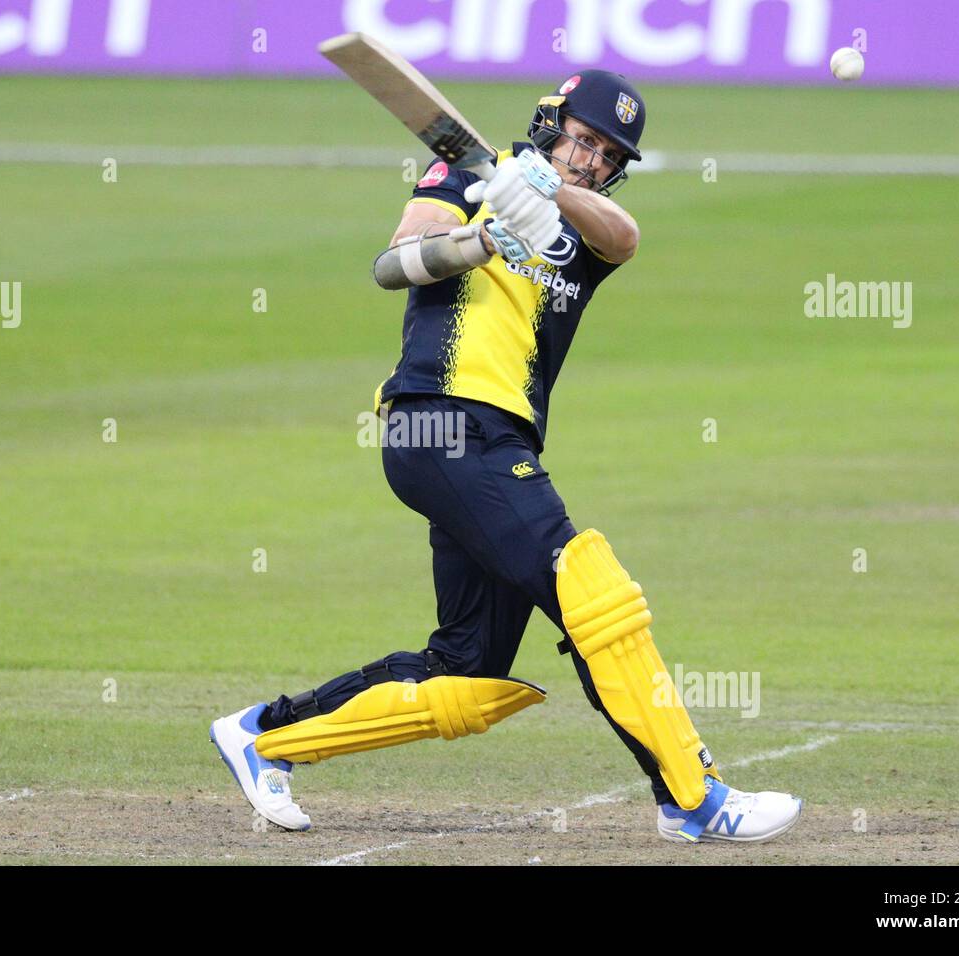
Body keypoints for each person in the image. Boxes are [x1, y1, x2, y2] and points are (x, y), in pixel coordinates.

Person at [211, 71, 802, 844]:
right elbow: (393, 265)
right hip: (439, 423)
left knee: (467, 671)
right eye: (581, 141)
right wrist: (482, 237)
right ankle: (693, 797)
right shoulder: (464, 173)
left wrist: (547, 193)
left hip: (498, 443)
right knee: (590, 588)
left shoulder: (583, 229)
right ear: (550, 123)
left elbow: (624, 238)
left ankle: (263, 737)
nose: (590, 160)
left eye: (607, 154)